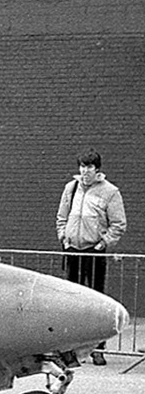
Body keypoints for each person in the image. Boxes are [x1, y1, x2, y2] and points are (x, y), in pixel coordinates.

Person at [55, 149, 126, 364]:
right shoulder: (72, 188)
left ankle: (98, 348)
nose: (85, 172)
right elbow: (62, 216)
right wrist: (63, 237)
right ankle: (72, 347)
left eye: (89, 168)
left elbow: (118, 223)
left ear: (97, 170)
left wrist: (103, 243)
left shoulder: (110, 192)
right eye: (82, 167)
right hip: (72, 250)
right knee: (72, 300)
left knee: (96, 301)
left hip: (93, 252)